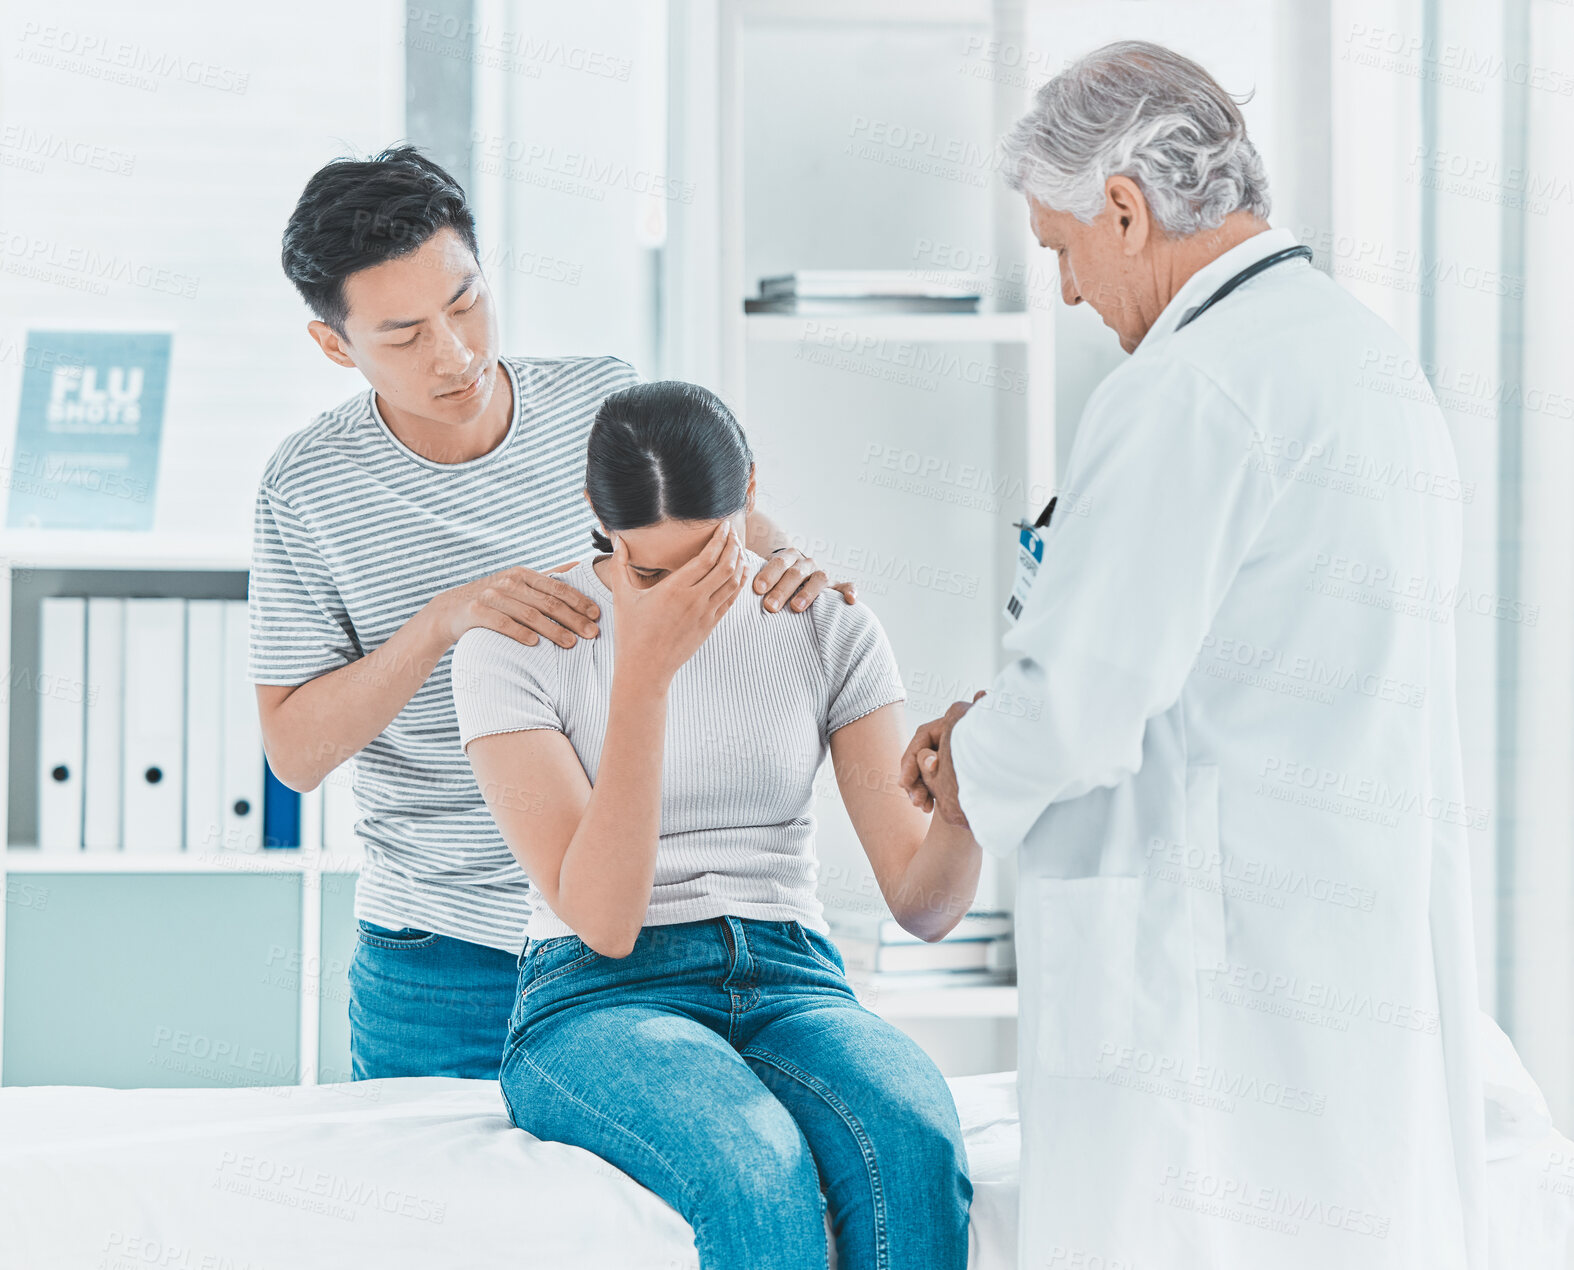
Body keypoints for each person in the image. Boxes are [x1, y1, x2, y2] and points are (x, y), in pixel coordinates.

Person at [901, 40, 1485, 1270]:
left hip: (1205, 960)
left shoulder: (1190, 386)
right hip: (1323, 927)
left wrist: (967, 754)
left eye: (1059, 250)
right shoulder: (1356, 357)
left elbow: (1078, 710)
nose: (1064, 293)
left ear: (1124, 208)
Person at [250, 146, 850, 1081]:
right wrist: (442, 623)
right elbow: (294, 753)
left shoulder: (596, 397)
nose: (456, 353)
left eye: (465, 302)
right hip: (444, 953)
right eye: (404, 336)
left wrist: (786, 557)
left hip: (634, 937)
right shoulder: (306, 487)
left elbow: (705, 524)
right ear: (336, 345)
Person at [450, 380, 978, 1270]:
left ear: (750, 499)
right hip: (597, 997)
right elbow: (607, 921)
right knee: (753, 1167)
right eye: (653, 574)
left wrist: (965, 801)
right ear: (594, 513)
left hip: (790, 979)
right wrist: (644, 673)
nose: (684, 598)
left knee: (915, 1142)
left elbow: (922, 906)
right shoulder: (515, 646)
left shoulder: (825, 627)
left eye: (713, 563)